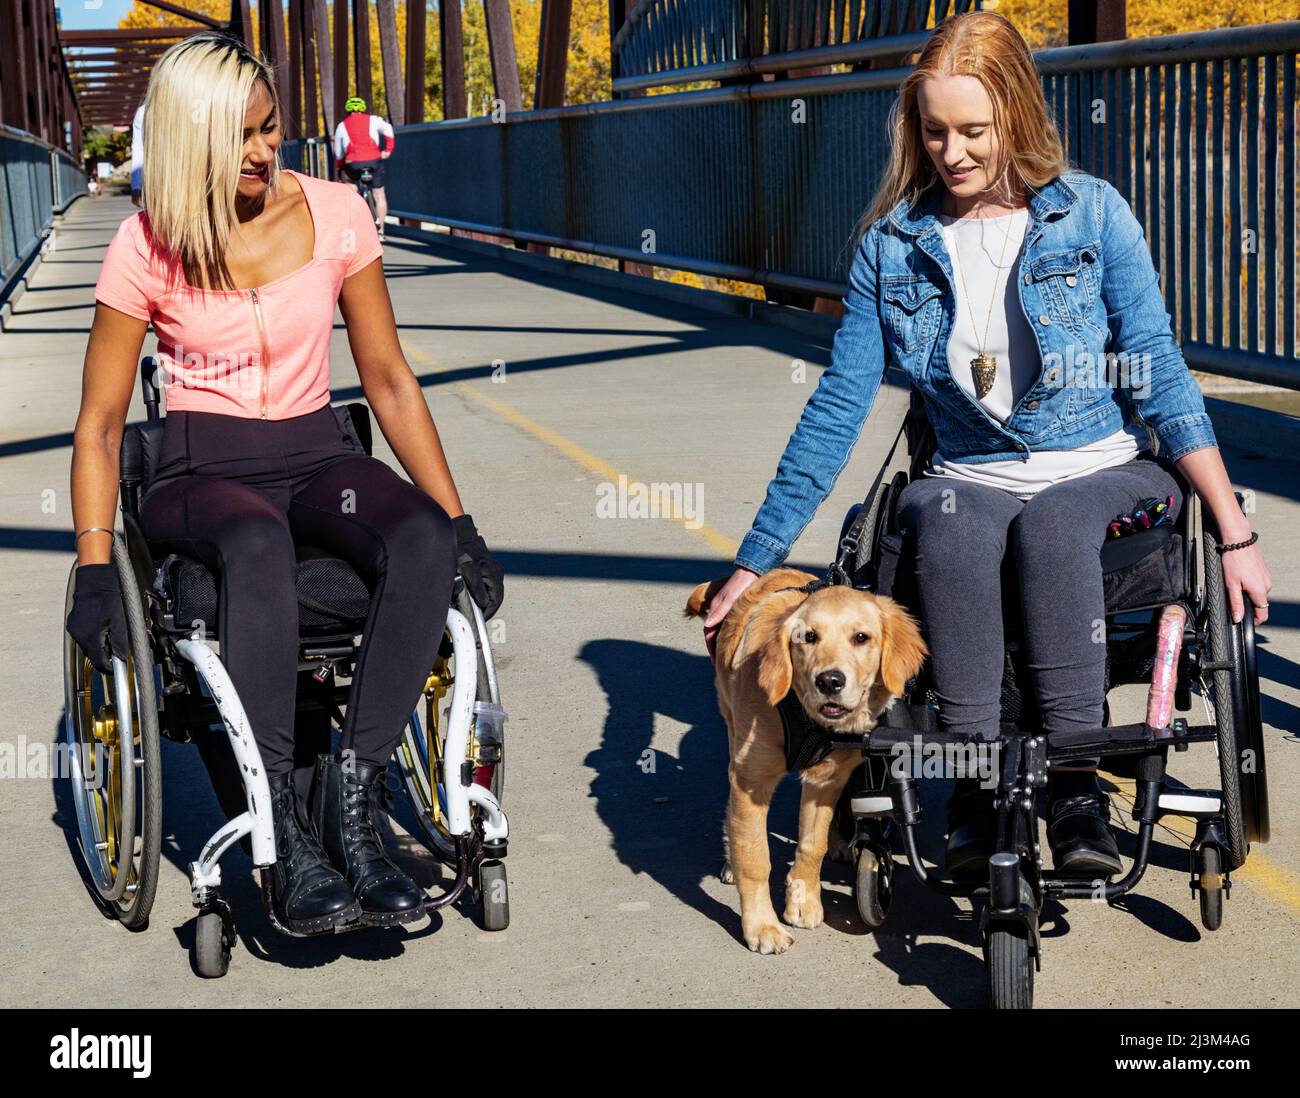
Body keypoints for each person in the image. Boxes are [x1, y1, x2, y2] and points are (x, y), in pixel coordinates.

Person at [702, 11, 1271, 878]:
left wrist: (1233, 531)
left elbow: (1158, 370)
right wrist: (756, 558)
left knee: (1050, 523)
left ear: (1018, 115)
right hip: (968, 472)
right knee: (950, 518)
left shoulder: (1092, 215)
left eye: (974, 130)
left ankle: (1076, 782)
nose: (953, 152)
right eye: (935, 132)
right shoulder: (891, 249)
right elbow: (838, 408)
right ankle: (972, 781)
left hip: (1100, 464)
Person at [66, 32, 504, 934]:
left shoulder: (339, 213)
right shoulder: (145, 245)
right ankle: (283, 833)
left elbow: (386, 378)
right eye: (247, 137)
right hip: (200, 468)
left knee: (416, 533)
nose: (269, 150)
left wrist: (459, 523)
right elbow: (102, 425)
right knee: (256, 544)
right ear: (196, 142)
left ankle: (354, 795)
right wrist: (98, 567)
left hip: (314, 454)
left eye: (273, 129)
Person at [333, 96, 394, 239]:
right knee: (379, 195)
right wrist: (388, 150)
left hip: (354, 163)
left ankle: (354, 226)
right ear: (363, 109)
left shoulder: (342, 126)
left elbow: (338, 153)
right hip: (374, 161)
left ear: (348, 111)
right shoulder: (374, 120)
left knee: (351, 188)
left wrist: (339, 167)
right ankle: (381, 231)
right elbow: (388, 129)